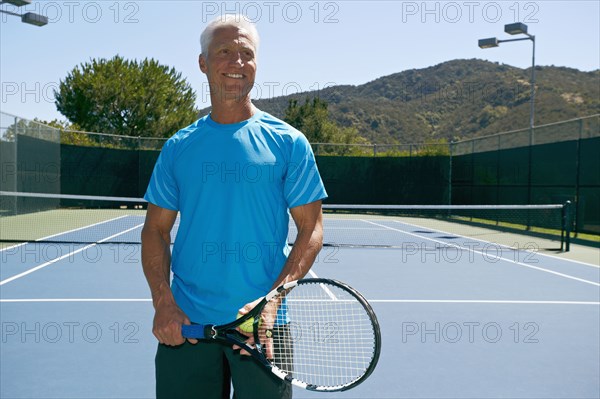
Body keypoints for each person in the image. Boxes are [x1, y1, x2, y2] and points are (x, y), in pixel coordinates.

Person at [141, 14, 328, 399]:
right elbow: (155, 230)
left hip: (261, 330)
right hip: (187, 327)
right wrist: (164, 304)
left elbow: (311, 229)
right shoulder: (179, 147)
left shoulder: (289, 143)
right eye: (224, 51)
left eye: (247, 53)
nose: (237, 63)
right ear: (203, 63)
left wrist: (272, 302)